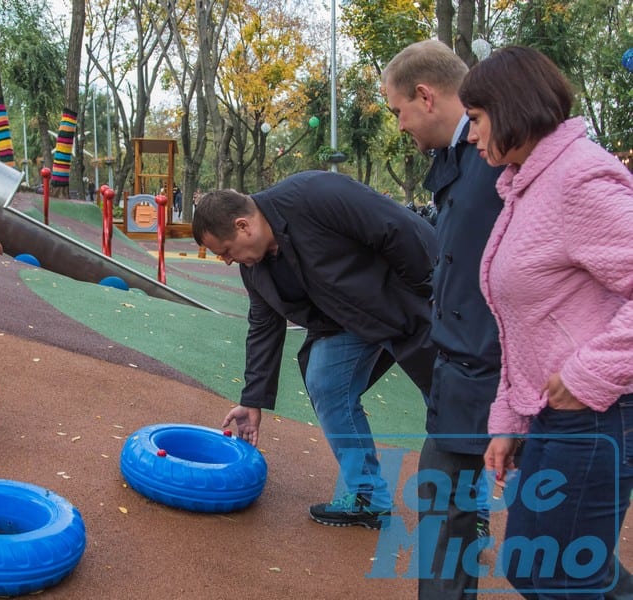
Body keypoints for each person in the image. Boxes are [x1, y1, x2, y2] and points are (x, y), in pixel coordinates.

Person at [460, 45, 633, 597]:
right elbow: (527, 319)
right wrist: (509, 414)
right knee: (535, 568)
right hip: (557, 415)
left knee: (558, 576)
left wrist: (589, 374)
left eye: (478, 119)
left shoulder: (579, 179)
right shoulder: (527, 186)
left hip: (600, 414)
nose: (471, 135)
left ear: (509, 108)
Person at [191, 171, 438, 529]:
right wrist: (252, 399)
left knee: (448, 400)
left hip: (403, 301)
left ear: (243, 226)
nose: (228, 261)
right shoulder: (255, 267)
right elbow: (264, 327)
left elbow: (397, 226)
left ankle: (468, 514)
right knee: (325, 380)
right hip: (347, 321)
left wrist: (427, 291)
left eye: (226, 251)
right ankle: (367, 497)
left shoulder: (314, 194)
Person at [382, 39, 503, 600]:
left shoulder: (500, 154)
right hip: (462, 367)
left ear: (425, 96)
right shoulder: (453, 159)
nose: (399, 125)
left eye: (397, 110)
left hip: (502, 370)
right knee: (443, 503)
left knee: (552, 545)